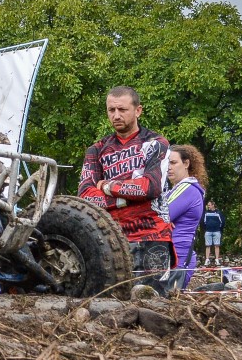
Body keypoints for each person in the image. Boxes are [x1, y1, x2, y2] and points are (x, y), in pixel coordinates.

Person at [78, 86, 172, 279]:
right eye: (111, 110)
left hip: (153, 235)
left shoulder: (156, 143)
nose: (116, 115)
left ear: (138, 110)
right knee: (110, 295)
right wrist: (128, 197)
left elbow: (150, 187)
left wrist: (107, 186)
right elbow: (85, 196)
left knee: (152, 295)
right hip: (110, 237)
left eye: (122, 109)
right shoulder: (96, 149)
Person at [163, 145, 207, 289]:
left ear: (186, 163)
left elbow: (159, 216)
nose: (168, 167)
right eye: (166, 163)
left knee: (167, 300)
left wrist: (163, 222)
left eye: (173, 162)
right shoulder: (177, 189)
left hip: (178, 257)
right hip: (171, 256)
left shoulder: (187, 188)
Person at [202, 199, 224, 266]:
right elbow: (203, 222)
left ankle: (217, 260)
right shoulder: (206, 213)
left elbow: (222, 222)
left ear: (213, 205)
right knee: (207, 246)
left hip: (216, 231)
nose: (208, 206)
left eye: (209, 205)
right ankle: (207, 260)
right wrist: (205, 229)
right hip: (208, 231)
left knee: (217, 245)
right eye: (208, 205)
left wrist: (219, 229)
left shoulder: (218, 213)